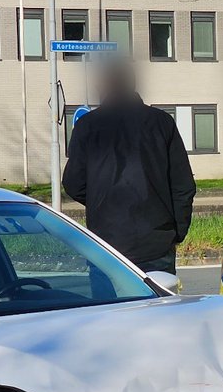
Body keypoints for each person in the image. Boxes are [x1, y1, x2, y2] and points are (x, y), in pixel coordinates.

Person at [62, 57, 195, 274]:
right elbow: (183, 186)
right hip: (156, 243)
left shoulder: (88, 126)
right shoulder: (162, 123)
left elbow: (73, 184)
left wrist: (101, 200)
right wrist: (176, 232)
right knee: (158, 306)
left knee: (109, 308)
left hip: (106, 243)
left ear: (101, 86)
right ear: (133, 84)